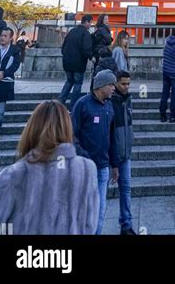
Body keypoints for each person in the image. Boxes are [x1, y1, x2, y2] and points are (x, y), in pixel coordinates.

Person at [0, 100, 99, 234]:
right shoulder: (87, 170)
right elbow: (90, 225)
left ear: (32, 129)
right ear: (67, 128)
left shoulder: (12, 175)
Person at [71, 70, 120, 235]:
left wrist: (115, 164)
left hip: (103, 167)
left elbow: (112, 136)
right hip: (83, 168)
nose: (114, 88)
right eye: (111, 85)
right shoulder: (82, 104)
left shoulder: (109, 106)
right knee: (83, 209)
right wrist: (83, 155)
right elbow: (71, 134)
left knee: (100, 210)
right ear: (100, 86)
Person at [112, 70, 136, 235]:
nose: (126, 87)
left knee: (126, 189)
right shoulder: (109, 102)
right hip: (110, 155)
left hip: (125, 152)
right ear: (115, 84)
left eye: (128, 84)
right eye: (123, 84)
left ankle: (126, 225)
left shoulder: (128, 101)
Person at [0, 29, 20, 141]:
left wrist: (3, 73)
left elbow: (15, 66)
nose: (2, 38)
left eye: (5, 36)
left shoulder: (15, 50)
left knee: (0, 111)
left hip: (4, 83)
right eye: (1, 35)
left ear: (11, 38)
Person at [59, 15, 93, 110]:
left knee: (69, 82)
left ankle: (60, 102)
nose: (90, 25)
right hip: (78, 63)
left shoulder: (72, 31)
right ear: (86, 22)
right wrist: (91, 57)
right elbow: (86, 49)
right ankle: (74, 106)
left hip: (67, 62)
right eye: (90, 22)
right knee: (77, 84)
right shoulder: (85, 33)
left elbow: (64, 47)